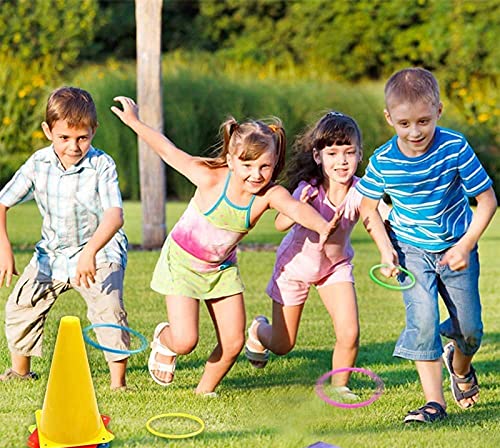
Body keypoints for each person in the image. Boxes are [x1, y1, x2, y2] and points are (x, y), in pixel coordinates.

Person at [111, 96, 340, 395]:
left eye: (265, 166)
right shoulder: (209, 178)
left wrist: (323, 226)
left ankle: (203, 392)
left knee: (232, 343)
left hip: (221, 270)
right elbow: (168, 150)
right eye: (247, 164)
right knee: (185, 341)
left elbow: (295, 208)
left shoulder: (268, 195)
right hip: (182, 264)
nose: (256, 174)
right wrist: (134, 122)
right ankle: (165, 341)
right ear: (231, 160)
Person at [356, 68, 497, 423]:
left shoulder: (454, 147)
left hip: (456, 247)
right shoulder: (384, 160)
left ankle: (459, 365)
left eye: (423, 120)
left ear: (438, 111)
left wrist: (465, 246)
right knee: (422, 319)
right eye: (404, 123)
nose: (414, 131)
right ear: (389, 118)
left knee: (470, 330)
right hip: (410, 251)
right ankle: (434, 403)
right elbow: (367, 206)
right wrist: (386, 249)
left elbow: (488, 200)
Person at [244, 112, 389, 398]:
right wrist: (298, 205)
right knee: (283, 345)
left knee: (349, 332)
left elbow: (378, 217)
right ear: (318, 156)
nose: (342, 161)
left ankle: (340, 386)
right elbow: (280, 223)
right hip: (294, 268)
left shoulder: (361, 191)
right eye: (332, 153)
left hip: (334, 268)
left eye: (349, 152)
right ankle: (258, 330)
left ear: (360, 155)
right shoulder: (307, 189)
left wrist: (388, 251)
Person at [0, 87, 130, 390]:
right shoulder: (38, 163)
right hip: (53, 252)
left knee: (108, 308)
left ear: (93, 130)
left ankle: (118, 384)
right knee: (22, 304)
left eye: (82, 137)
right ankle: (20, 372)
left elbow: (114, 216)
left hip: (100, 249)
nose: (73, 146)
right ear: (48, 131)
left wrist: (90, 253)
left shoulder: (102, 165)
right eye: (64, 138)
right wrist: (4, 247)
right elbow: (2, 202)